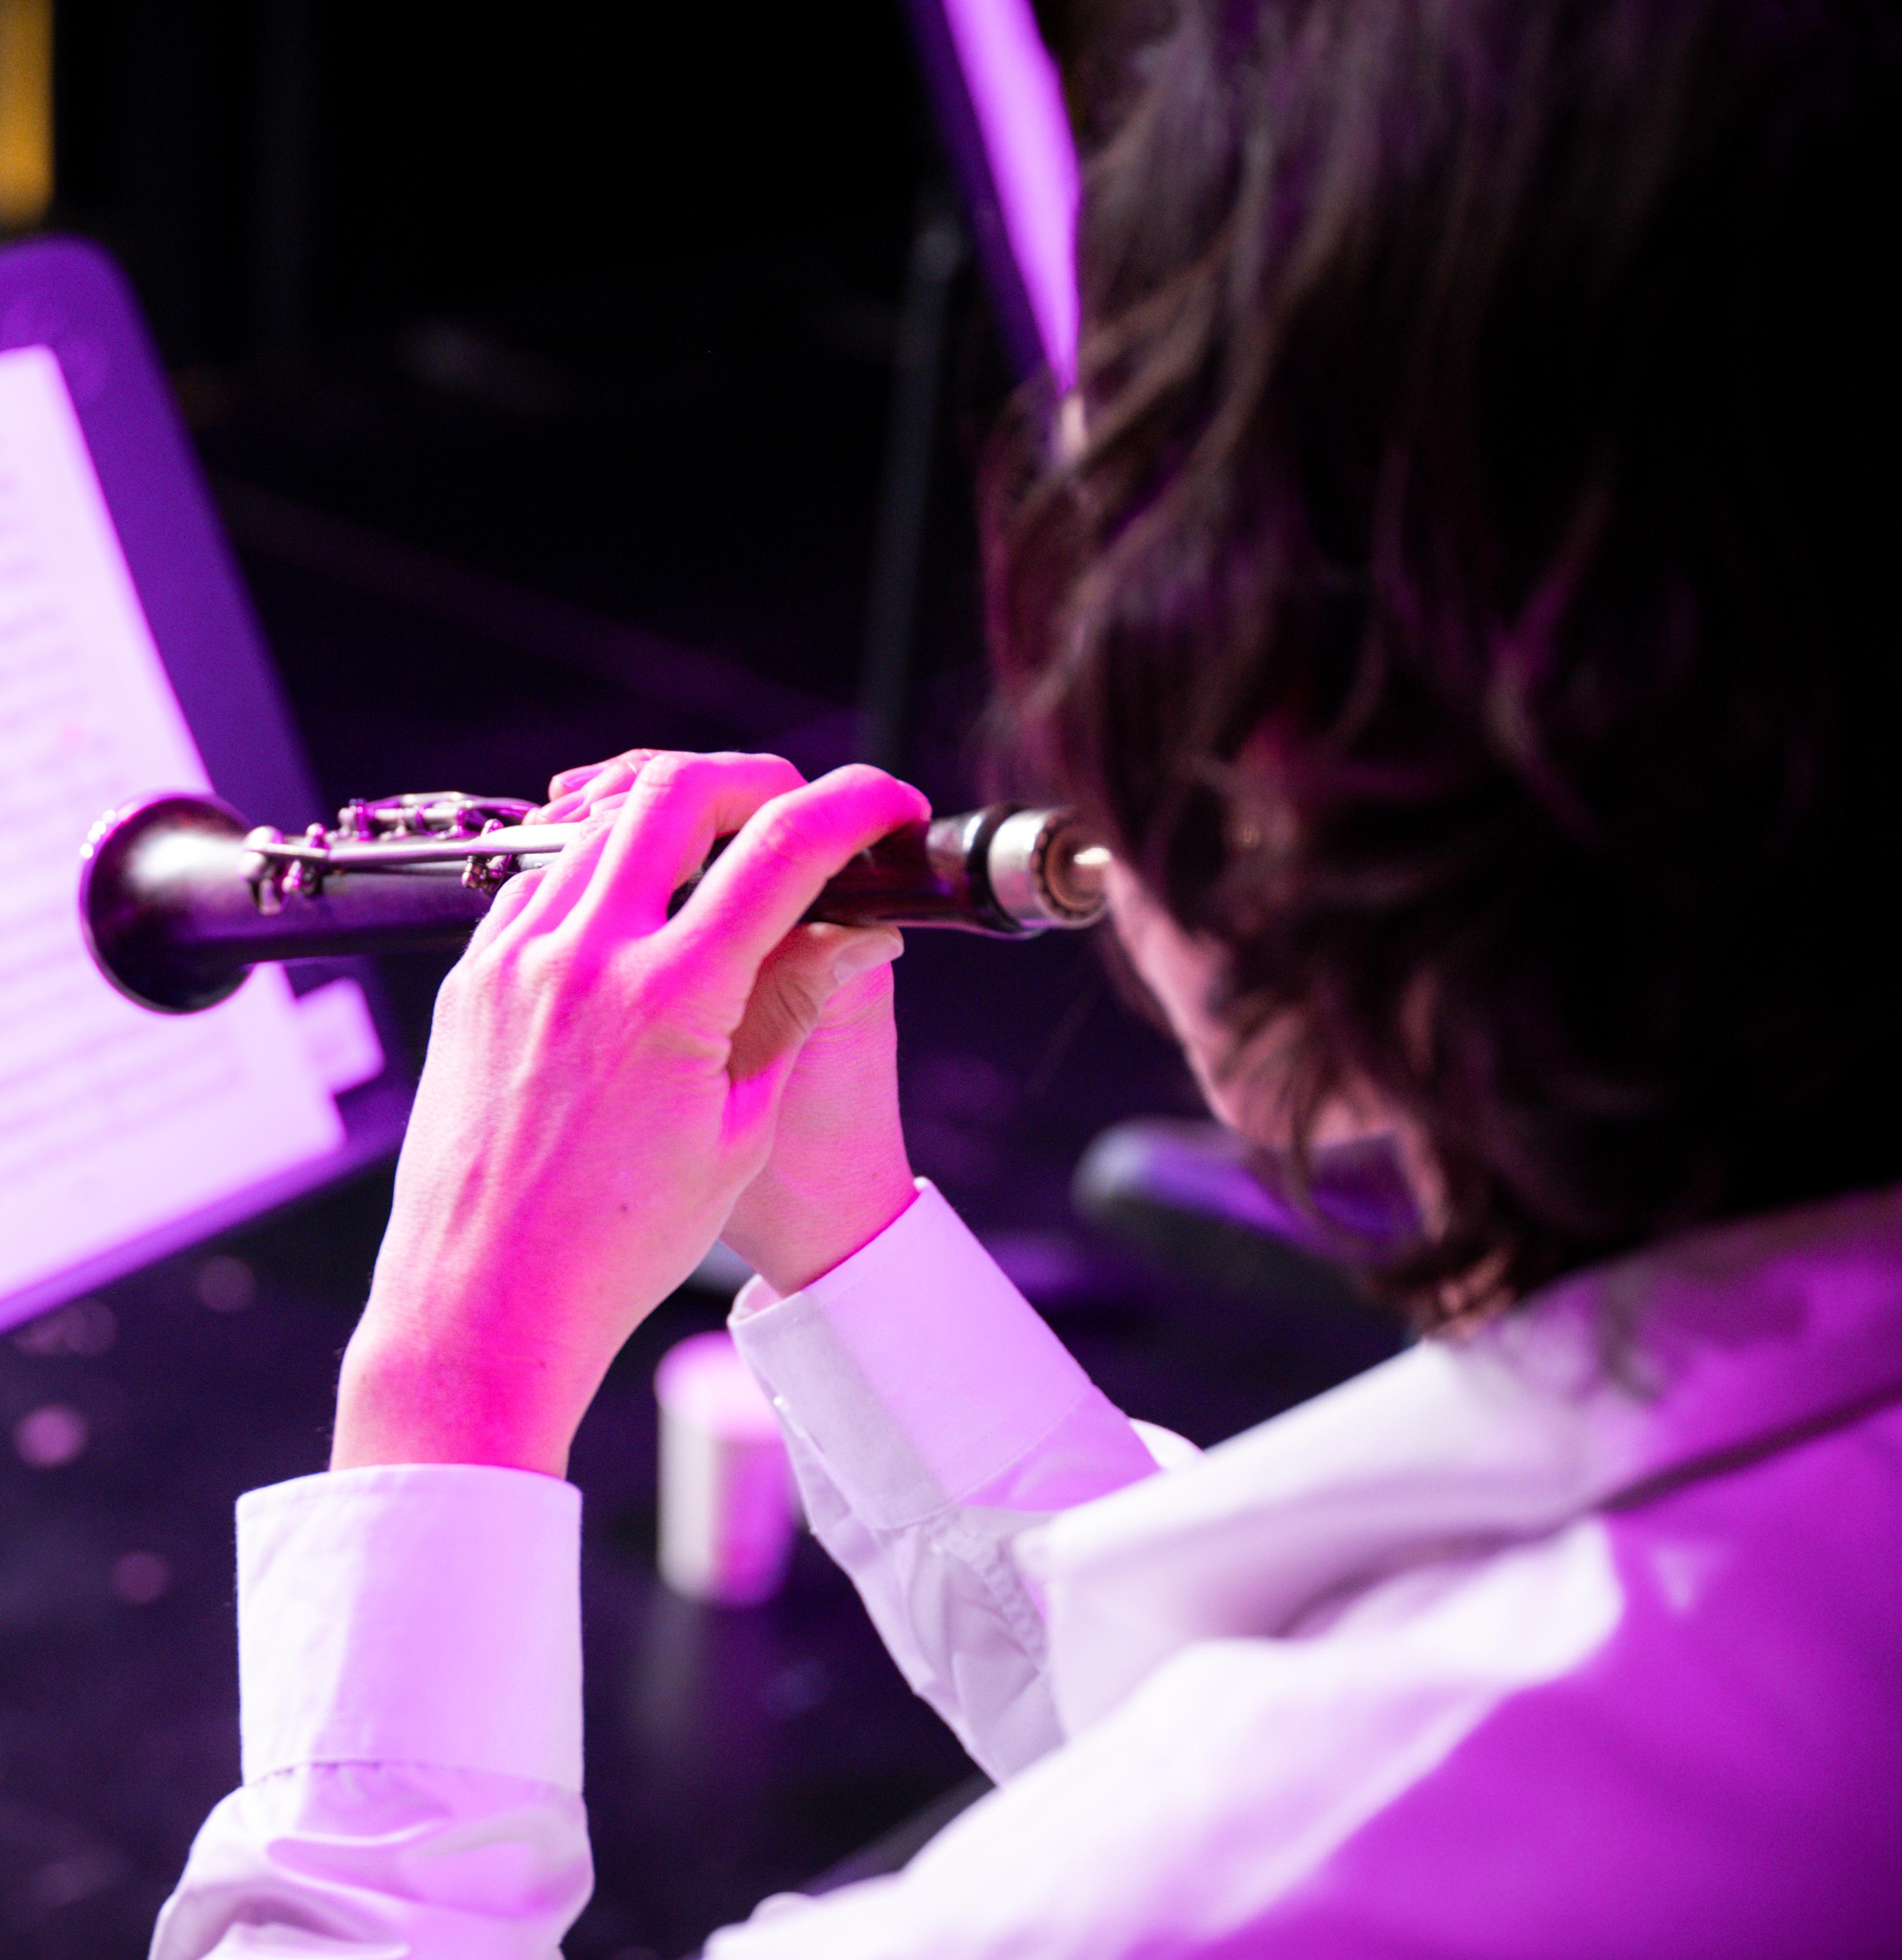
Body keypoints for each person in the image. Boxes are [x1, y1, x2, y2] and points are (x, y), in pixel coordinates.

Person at [150, 0, 1902, 1951]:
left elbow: (1260, 1820)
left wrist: (449, 1387)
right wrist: (849, 1232)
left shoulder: (1326, 1840)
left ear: (1312, 730)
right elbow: (1218, 1702)